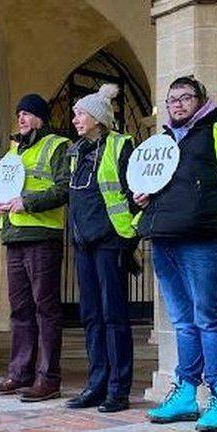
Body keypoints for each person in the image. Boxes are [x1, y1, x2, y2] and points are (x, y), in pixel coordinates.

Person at [136, 76, 217, 432]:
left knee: (209, 317)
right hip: (164, 237)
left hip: (206, 238)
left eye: (185, 98)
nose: (177, 104)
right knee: (182, 321)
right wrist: (144, 199)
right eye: (172, 99)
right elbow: (151, 184)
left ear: (202, 100)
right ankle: (187, 392)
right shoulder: (161, 143)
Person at [0, 94, 70, 403]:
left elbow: (63, 189)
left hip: (43, 235)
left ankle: (48, 378)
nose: (21, 118)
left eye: (28, 113)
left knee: (45, 309)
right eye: (19, 113)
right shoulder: (12, 153)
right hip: (14, 236)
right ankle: (19, 373)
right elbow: (4, 190)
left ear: (41, 118)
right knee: (20, 310)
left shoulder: (57, 145)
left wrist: (27, 202)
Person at [64, 84, 136, 413]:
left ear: (97, 117)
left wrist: (128, 236)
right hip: (83, 242)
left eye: (81, 113)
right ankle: (96, 384)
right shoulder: (76, 151)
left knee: (114, 316)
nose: (76, 118)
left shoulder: (121, 146)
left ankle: (118, 389)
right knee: (91, 316)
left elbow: (135, 189)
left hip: (110, 241)